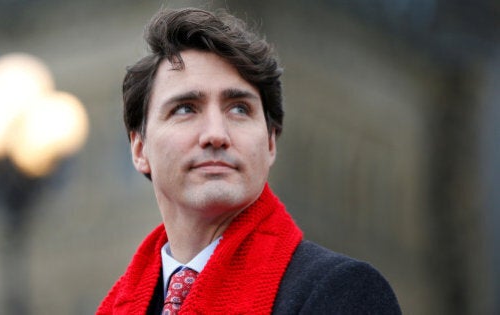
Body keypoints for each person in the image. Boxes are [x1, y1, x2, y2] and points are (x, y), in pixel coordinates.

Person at [97, 7, 401, 314]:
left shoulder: (342, 292)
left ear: (270, 143)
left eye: (239, 109)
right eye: (186, 108)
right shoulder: (118, 305)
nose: (216, 134)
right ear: (139, 149)